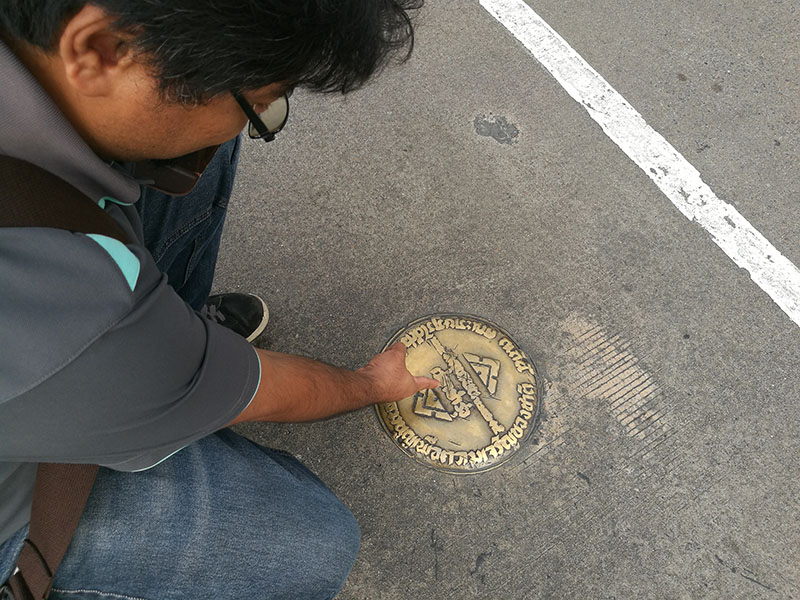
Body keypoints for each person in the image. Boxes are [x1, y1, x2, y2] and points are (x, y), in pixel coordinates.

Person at [0, 1, 438, 598]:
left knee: (195, 154)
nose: (258, 117)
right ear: (101, 49)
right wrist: (372, 384)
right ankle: (169, 372)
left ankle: (169, 346)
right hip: (21, 478)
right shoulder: (72, 316)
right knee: (311, 542)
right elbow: (273, 391)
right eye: (259, 103)